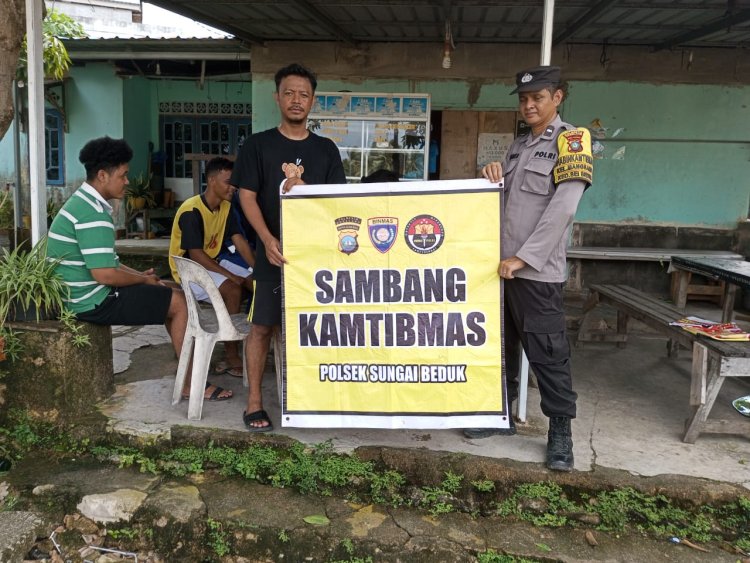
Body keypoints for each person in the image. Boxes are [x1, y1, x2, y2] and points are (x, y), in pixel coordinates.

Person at [464, 66, 593, 472]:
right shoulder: (518, 147)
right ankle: (501, 418)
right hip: (500, 269)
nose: (529, 105)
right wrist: (489, 175)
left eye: (537, 97)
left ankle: (560, 433)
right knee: (501, 347)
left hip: (535, 272)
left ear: (557, 97)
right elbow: (504, 203)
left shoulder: (572, 141)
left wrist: (524, 258)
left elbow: (563, 208)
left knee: (548, 353)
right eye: (523, 99)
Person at [47, 136, 232, 402]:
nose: (127, 181)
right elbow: (104, 274)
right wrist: (142, 282)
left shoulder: (83, 203)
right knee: (178, 303)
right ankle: (193, 384)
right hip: (90, 301)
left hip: (83, 295)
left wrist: (141, 277)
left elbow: (107, 262)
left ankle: (187, 369)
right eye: (122, 175)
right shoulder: (92, 213)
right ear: (102, 175)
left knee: (168, 288)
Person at [232, 63, 346, 432]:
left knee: (315, 329)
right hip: (273, 254)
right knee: (262, 328)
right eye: (289, 93)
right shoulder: (257, 145)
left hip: (315, 259)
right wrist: (266, 239)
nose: (297, 100)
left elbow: (337, 203)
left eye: (304, 94)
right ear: (277, 97)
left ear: (313, 100)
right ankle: (254, 402)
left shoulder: (326, 149)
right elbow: (247, 197)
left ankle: (312, 401)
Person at [168, 156, 256, 377]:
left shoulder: (226, 208)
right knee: (234, 288)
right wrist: (231, 277)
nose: (233, 187)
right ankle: (230, 353)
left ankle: (254, 336)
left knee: (256, 282)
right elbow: (196, 255)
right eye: (228, 181)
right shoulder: (191, 211)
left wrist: (258, 268)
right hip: (188, 270)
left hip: (211, 262)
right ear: (211, 180)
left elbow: (240, 241)